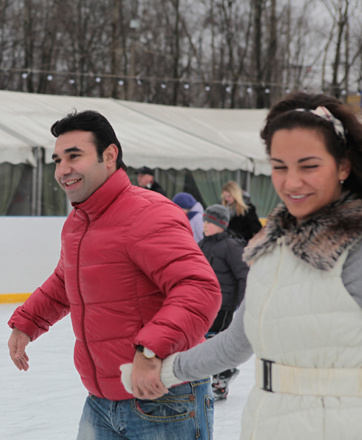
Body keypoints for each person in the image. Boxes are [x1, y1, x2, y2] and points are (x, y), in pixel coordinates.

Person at [122, 92, 362, 440]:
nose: (291, 182)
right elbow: (237, 341)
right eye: (279, 166)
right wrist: (166, 371)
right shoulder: (272, 250)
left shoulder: (355, 249)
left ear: (343, 165)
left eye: (309, 165)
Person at [7, 110, 222, 440]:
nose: (62, 170)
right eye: (57, 160)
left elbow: (198, 288)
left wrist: (150, 352)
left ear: (109, 156)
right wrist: (27, 323)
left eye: (74, 156)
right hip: (101, 399)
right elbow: (66, 281)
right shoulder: (79, 222)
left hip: (163, 398)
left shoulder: (148, 213)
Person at [199, 204, 249, 401]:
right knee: (207, 341)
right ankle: (222, 372)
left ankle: (222, 376)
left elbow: (243, 275)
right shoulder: (202, 244)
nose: (204, 225)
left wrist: (241, 301)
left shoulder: (230, 246)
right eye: (204, 221)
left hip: (225, 303)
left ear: (220, 224)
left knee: (218, 340)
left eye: (209, 222)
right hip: (206, 302)